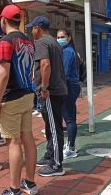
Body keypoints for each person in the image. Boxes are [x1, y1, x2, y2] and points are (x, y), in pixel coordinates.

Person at [0, 4, 38, 195]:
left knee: (14, 142)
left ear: (3, 20)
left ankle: (14, 191)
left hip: (12, 98)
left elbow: (3, 73)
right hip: (28, 95)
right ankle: (30, 183)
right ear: (18, 20)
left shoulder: (5, 41)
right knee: (28, 138)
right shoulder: (28, 41)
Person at [29, 16, 67, 177]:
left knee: (54, 127)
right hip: (57, 89)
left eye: (32, 28)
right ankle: (50, 155)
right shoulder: (54, 42)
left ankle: (56, 164)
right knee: (51, 126)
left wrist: (44, 87)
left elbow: (45, 65)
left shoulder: (42, 43)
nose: (31, 31)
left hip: (51, 92)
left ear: (38, 28)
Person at [56, 29, 81, 159]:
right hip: (72, 86)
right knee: (70, 118)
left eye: (62, 37)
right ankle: (71, 145)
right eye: (58, 37)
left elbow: (63, 74)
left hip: (68, 86)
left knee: (69, 119)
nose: (60, 39)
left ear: (69, 38)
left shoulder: (67, 52)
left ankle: (71, 148)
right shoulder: (71, 51)